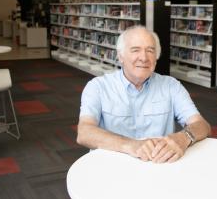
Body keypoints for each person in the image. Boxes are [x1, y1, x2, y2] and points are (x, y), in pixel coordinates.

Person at [77, 26, 210, 163]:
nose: (144, 58)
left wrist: (183, 137)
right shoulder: (98, 87)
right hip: (112, 166)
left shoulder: (171, 86)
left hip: (158, 165)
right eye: (135, 50)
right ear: (120, 56)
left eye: (150, 51)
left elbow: (202, 125)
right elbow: (84, 132)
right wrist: (132, 145)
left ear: (156, 58)